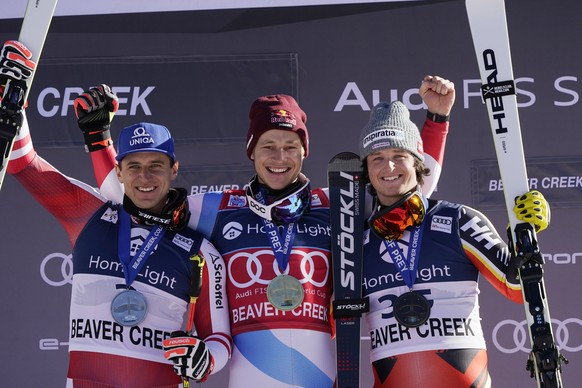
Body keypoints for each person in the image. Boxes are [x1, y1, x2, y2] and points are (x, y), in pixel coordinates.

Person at [77, 85, 454, 387]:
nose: (280, 156)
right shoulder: (214, 208)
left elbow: (405, 193)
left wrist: (436, 122)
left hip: (322, 374)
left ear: (304, 152)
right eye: (268, 146)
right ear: (251, 152)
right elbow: (134, 197)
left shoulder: (336, 204)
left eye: (291, 146)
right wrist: (99, 140)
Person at [2, 41, 231, 387]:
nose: (145, 177)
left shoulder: (200, 253)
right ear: (119, 172)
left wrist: (205, 360)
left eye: (156, 166)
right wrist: (11, 101)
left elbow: (220, 339)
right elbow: (24, 163)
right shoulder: (89, 215)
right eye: (134, 166)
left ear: (174, 170)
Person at [357, 100, 551, 387]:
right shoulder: (356, 241)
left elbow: (516, 289)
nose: (389, 166)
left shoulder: (457, 220)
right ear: (367, 170)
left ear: (417, 161)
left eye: (400, 155)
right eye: (377, 158)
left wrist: (526, 236)